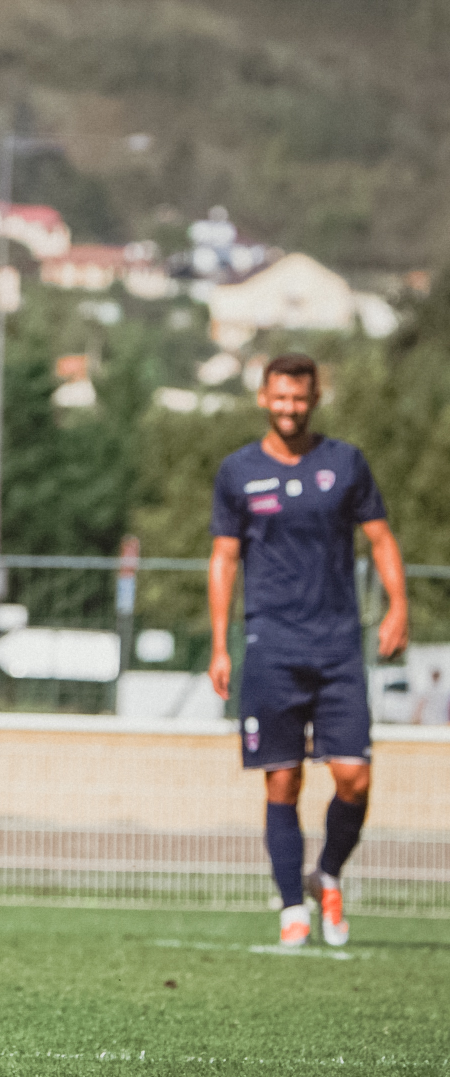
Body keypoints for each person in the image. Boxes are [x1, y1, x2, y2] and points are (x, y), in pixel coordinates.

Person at [208, 353, 408, 949]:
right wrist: (219, 643)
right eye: (279, 397)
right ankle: (293, 906)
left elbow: (381, 538)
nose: (289, 407)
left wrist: (398, 606)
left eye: (299, 398)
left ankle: (328, 872)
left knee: (354, 778)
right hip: (270, 642)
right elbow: (223, 557)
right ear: (264, 398)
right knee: (282, 782)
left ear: (314, 398)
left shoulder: (345, 463)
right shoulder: (237, 471)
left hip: (339, 645)